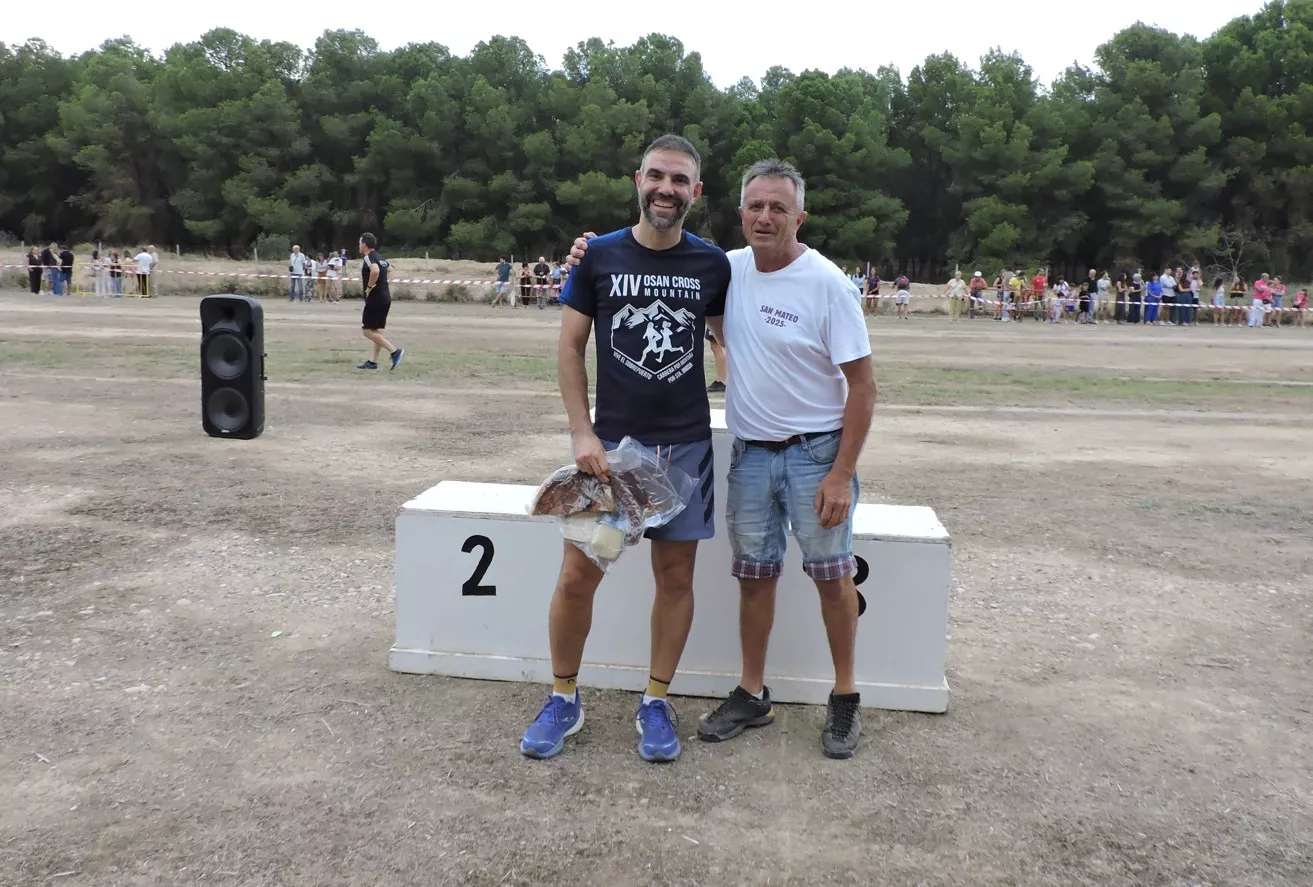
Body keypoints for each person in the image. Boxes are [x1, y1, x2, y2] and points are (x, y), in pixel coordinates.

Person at [519, 133, 730, 764]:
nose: (667, 189)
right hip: (609, 450)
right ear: (638, 180)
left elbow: (730, 339)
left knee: (676, 577)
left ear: (696, 192)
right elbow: (568, 348)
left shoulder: (714, 264)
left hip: (685, 448)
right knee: (577, 576)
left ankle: (656, 701)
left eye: (680, 180)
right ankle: (563, 697)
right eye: (657, 176)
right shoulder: (599, 255)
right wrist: (582, 432)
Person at [696, 159, 875, 759]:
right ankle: (752, 692)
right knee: (755, 577)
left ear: (801, 217)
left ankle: (845, 696)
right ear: (740, 212)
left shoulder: (828, 284)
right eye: (755, 205)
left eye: (779, 207)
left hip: (815, 455)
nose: (765, 217)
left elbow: (864, 387)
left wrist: (841, 474)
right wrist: (588, 251)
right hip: (750, 455)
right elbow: (659, 265)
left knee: (832, 578)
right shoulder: (728, 268)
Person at [356, 232, 404, 370]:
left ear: (364, 244)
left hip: (375, 298)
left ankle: (394, 351)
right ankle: (373, 362)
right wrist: (383, 284)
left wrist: (370, 287)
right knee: (376, 330)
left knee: (367, 331)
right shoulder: (380, 257)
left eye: (360, 243)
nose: (359, 245)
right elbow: (390, 269)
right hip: (385, 297)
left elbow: (375, 271)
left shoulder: (368, 257)